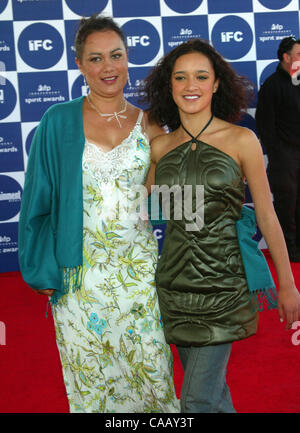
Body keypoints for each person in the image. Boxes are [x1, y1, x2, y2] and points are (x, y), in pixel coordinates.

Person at [18, 14, 180, 413]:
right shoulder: (57, 120)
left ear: (128, 59)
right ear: (79, 64)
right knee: (93, 388)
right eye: (95, 58)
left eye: (116, 55)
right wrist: (40, 269)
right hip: (79, 281)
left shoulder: (152, 122)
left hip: (139, 275)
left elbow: (167, 203)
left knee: (153, 380)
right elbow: (36, 201)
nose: (108, 67)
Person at [143, 39, 300, 413]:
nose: (190, 85)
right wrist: (147, 129)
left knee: (195, 401)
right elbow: (149, 208)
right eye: (180, 77)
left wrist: (288, 284)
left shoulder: (241, 139)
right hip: (176, 285)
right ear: (170, 86)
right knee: (213, 396)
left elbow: (266, 215)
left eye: (201, 76)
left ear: (216, 84)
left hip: (224, 284)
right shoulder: (159, 148)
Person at [255, 36, 300, 262]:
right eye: (299, 55)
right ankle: (288, 249)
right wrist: (279, 154)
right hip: (284, 158)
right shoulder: (272, 86)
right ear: (286, 57)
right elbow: (265, 125)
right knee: (287, 203)